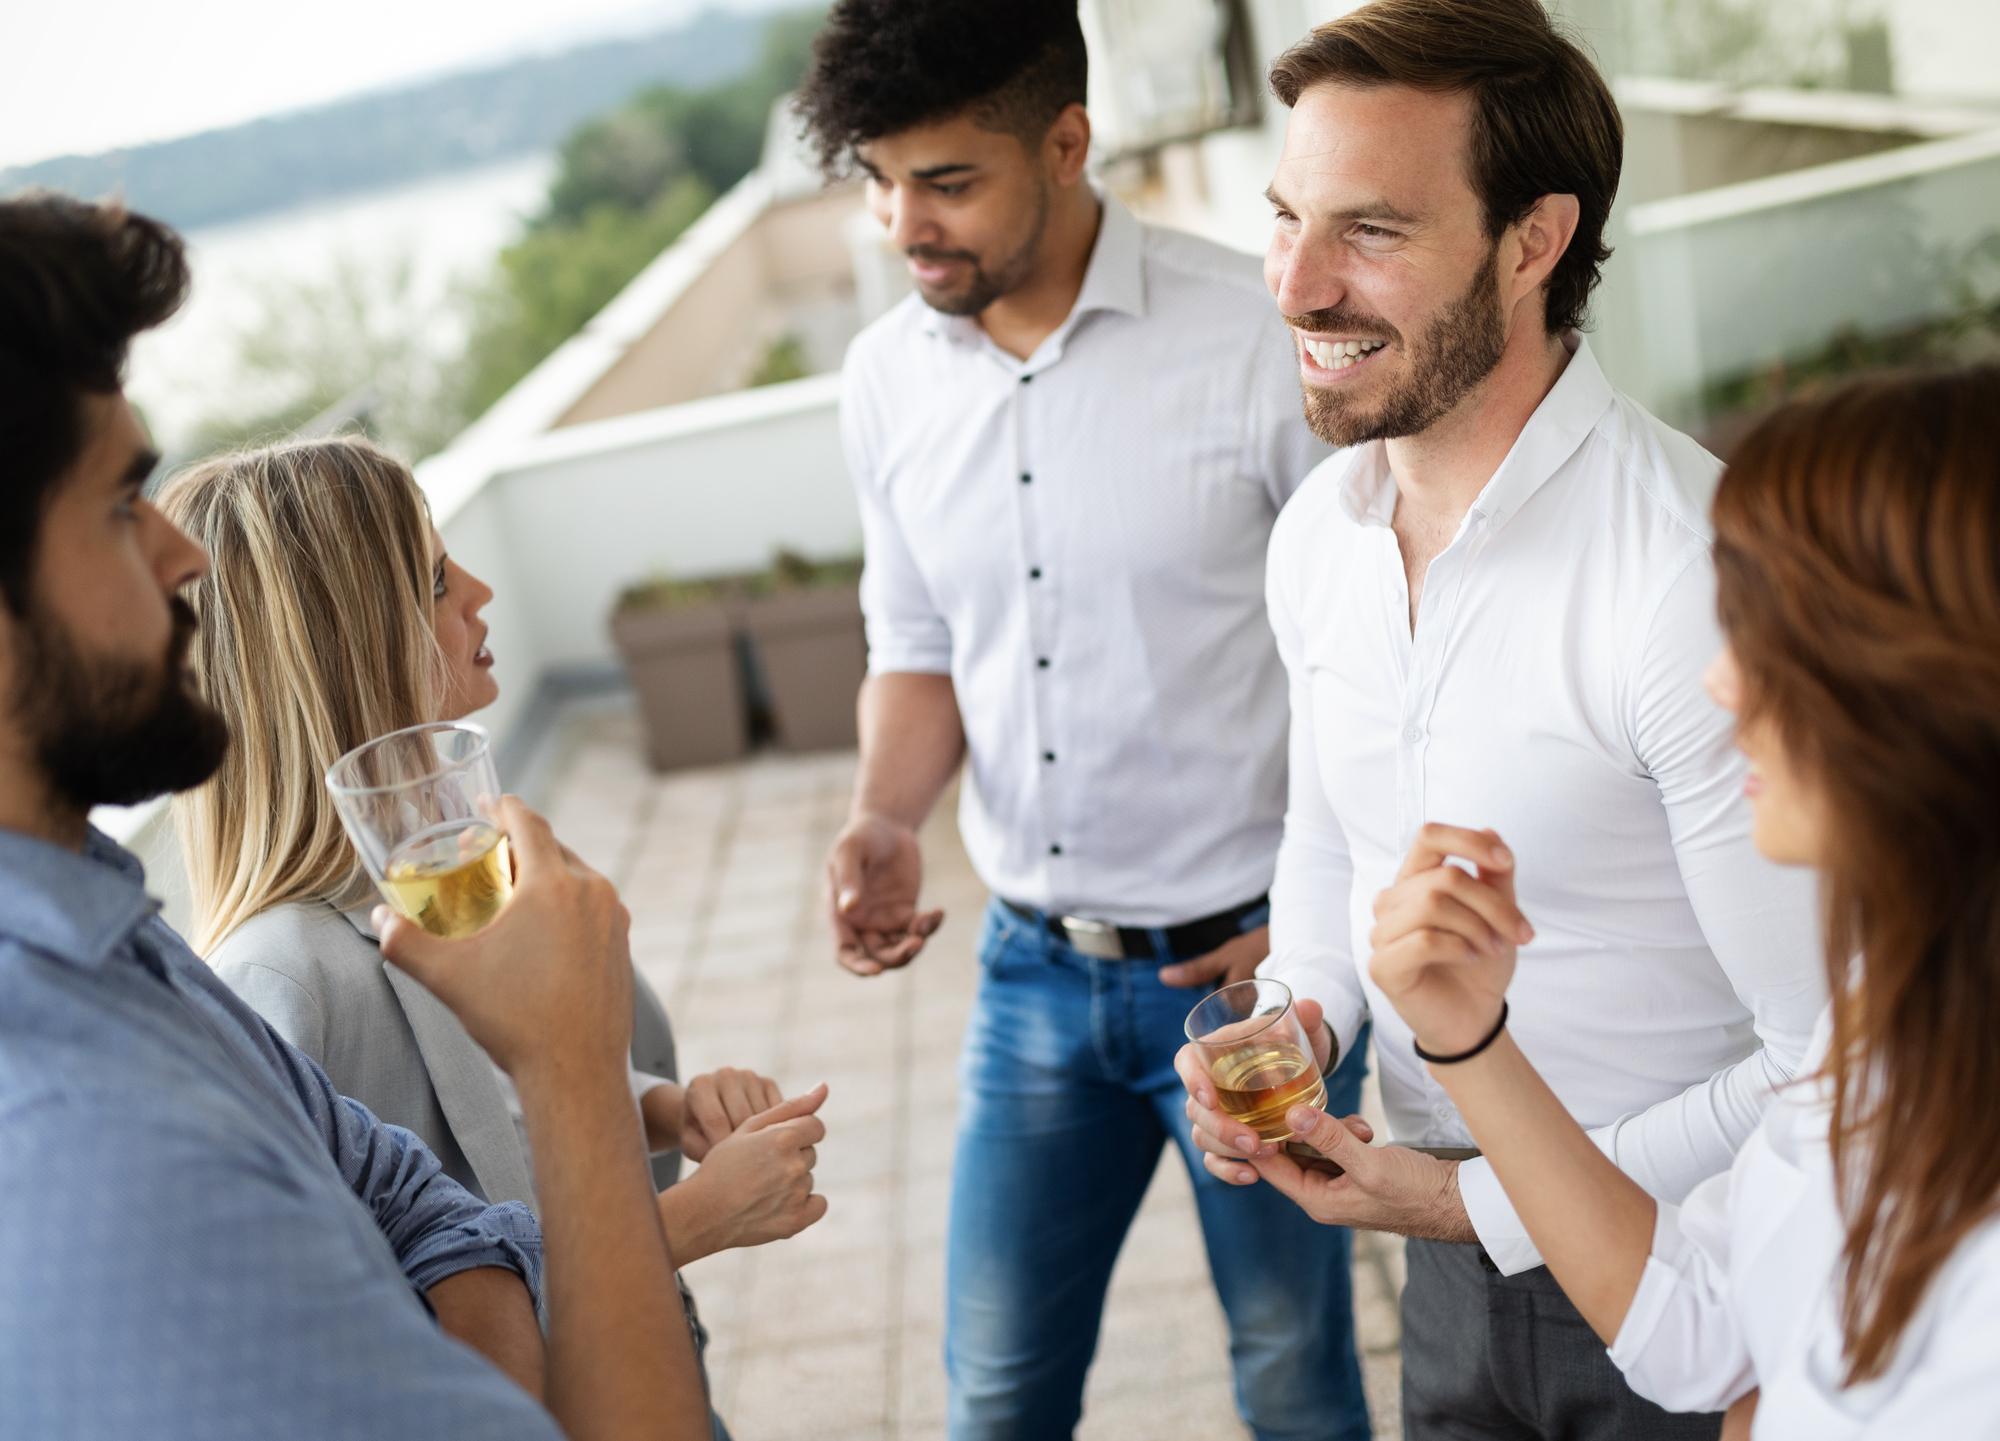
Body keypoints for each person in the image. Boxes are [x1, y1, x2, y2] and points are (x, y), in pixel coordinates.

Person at [1174, 2, 1824, 1437]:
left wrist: (1479, 1197)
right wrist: (1298, 1020)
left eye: (1372, 233)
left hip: (1691, 1272)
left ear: (1534, 242)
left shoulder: (1689, 578)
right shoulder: (1317, 535)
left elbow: (1821, 1061)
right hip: (1445, 1274)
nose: (1295, 285)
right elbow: (1330, 845)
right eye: (1287, 219)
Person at [0, 193, 709, 1436]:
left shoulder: (111, 938)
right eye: (122, 506)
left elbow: (422, 1208)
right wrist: (570, 1066)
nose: (184, 559)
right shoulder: (90, 1151)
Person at [793, 3, 1368, 1438]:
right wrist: (883, 812)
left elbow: (1372, 661)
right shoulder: (885, 382)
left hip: (1249, 984)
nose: (901, 224)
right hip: (1032, 974)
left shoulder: (1256, 339)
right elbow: (918, 642)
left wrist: (1322, 920)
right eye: (878, 180)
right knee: (996, 1391)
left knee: (1297, 1375)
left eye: (947, 182)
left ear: (1067, 141)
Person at [1363, 365, 2000, 1436]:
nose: (1722, 680)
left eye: (1778, 631)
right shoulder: (1892, 1015)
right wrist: (1470, 1039)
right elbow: (1703, 1322)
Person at [156, 439, 828, 1438]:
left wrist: (664, 1107)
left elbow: (492, 1101)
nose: (478, 592)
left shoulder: (438, 873)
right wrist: (681, 1225)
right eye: (431, 581)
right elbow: (363, 1331)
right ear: (348, 640)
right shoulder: (274, 977)